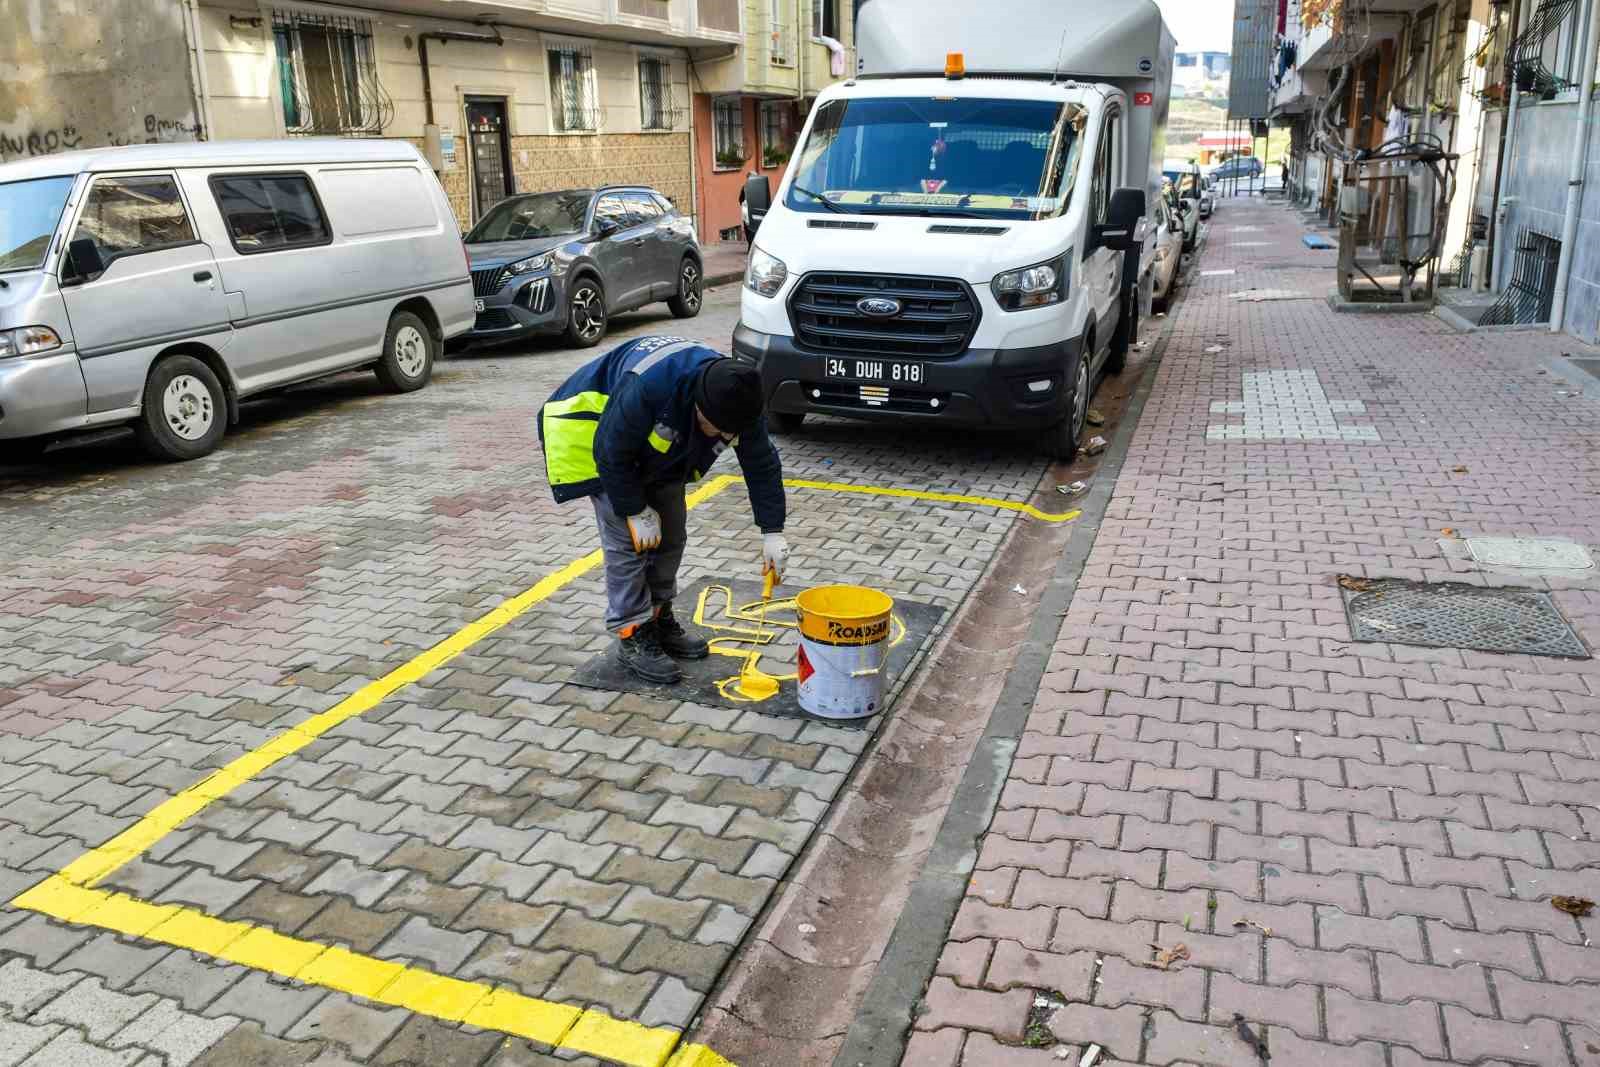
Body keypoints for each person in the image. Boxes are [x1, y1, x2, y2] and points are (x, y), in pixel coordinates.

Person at [539, 336, 787, 684]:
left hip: (656, 451)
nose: (722, 436)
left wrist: (772, 531)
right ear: (699, 406)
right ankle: (632, 633)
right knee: (629, 545)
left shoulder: (741, 398)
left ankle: (656, 618)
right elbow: (611, 454)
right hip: (596, 440)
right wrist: (635, 511)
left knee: (672, 536)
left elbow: (761, 463)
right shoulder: (650, 387)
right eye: (716, 428)